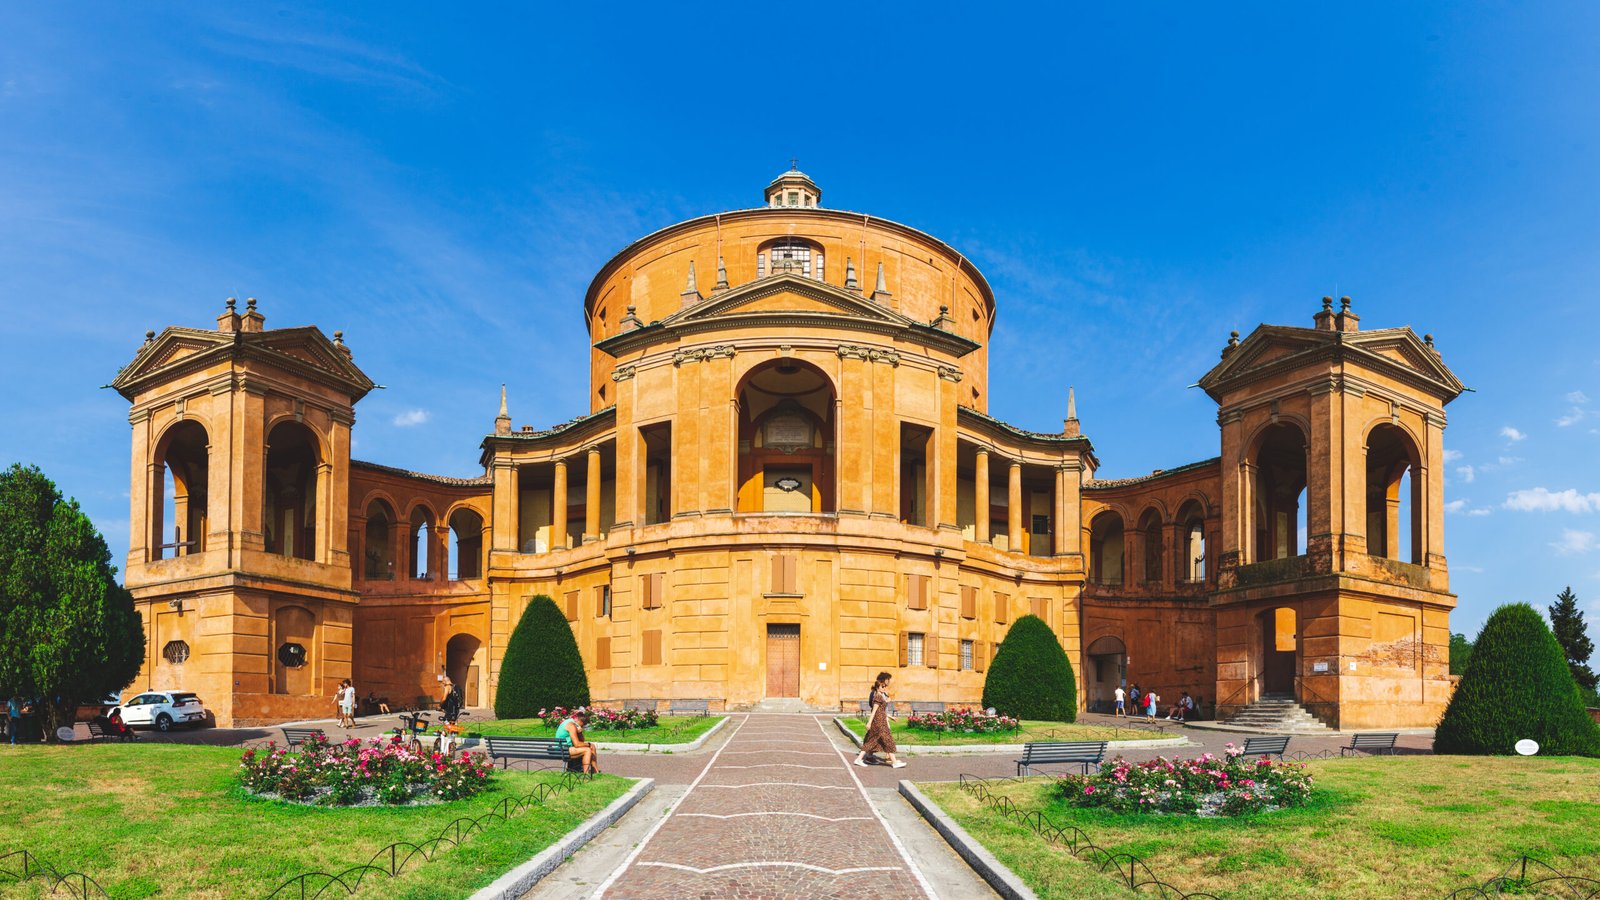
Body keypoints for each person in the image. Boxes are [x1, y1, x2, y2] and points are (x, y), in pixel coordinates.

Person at [854, 671, 906, 769]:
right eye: (883, 686)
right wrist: (869, 722)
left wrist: (890, 716)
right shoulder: (877, 696)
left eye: (885, 686)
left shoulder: (881, 695)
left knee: (873, 741)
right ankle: (894, 762)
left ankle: (860, 759)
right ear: (878, 687)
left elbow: (881, 710)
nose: (885, 687)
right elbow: (874, 711)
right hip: (879, 723)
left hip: (881, 721)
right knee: (887, 740)